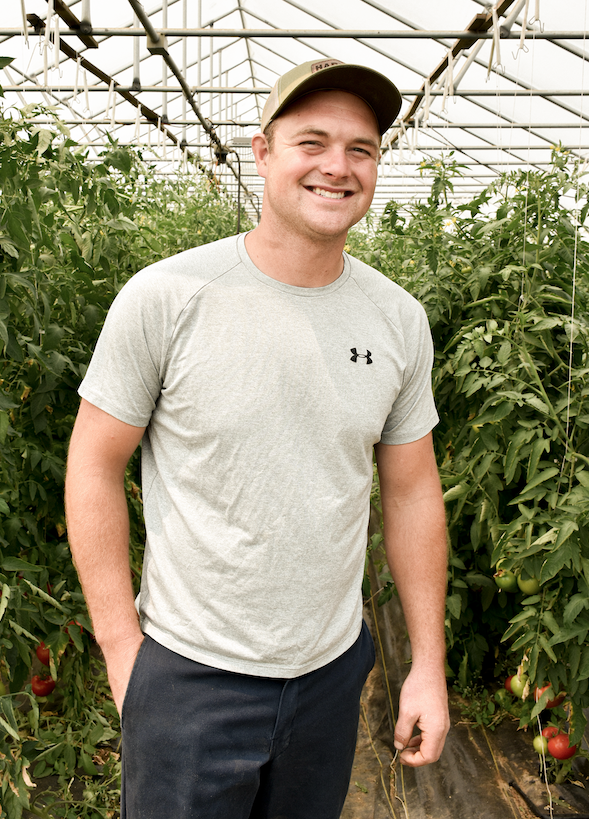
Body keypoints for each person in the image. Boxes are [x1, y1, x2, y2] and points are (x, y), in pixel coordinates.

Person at [65, 58, 450, 819]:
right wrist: (122, 650)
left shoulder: (397, 319)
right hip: (189, 675)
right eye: (312, 142)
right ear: (263, 152)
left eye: (361, 149)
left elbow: (412, 493)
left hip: (330, 674)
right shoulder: (168, 297)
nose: (337, 167)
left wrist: (427, 666)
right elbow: (93, 464)